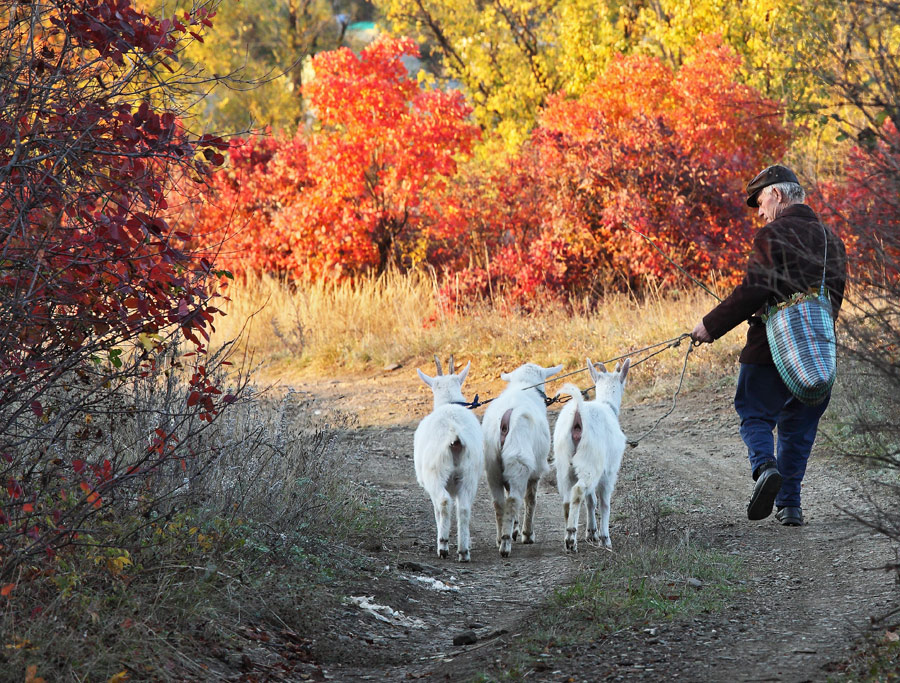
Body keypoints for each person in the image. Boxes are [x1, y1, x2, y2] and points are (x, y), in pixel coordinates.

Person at [691, 164, 847, 526]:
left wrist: (709, 326)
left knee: (754, 413)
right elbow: (833, 300)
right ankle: (790, 505)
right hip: (818, 352)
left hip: (767, 349)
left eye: (760, 202)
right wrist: (810, 337)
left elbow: (753, 291)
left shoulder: (772, 235)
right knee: (800, 427)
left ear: (777, 195)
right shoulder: (832, 240)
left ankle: (764, 469)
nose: (759, 213)